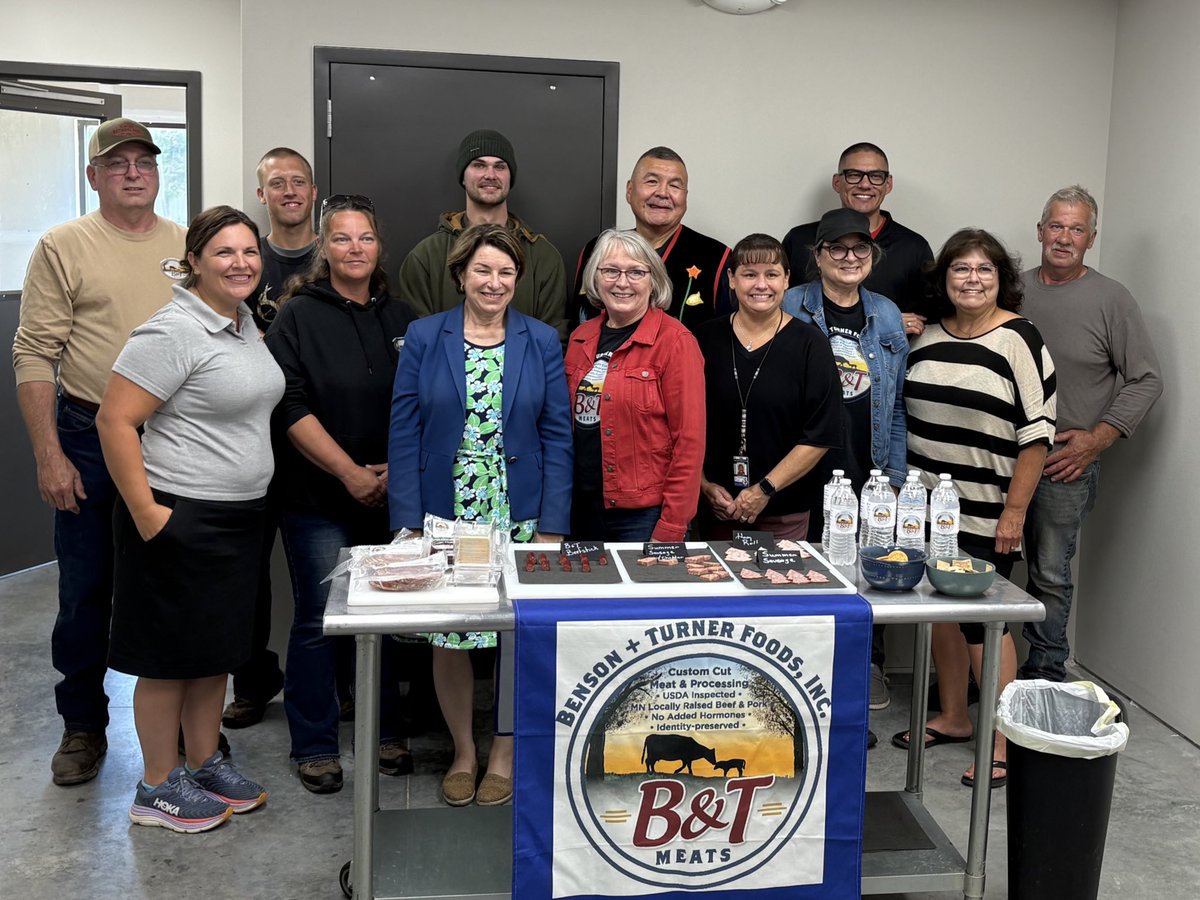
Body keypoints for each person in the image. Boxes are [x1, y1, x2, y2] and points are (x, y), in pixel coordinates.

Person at [95, 206, 284, 831]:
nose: (241, 264)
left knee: (214, 652)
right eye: (224, 253)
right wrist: (148, 513)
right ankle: (156, 786)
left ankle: (203, 763)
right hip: (179, 515)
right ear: (194, 261)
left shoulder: (242, 323)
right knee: (169, 657)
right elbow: (114, 421)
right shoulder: (173, 330)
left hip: (238, 519)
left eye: (249, 252)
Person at [12, 117, 187, 786]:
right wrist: (48, 455)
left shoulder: (187, 245)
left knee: (175, 587)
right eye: (118, 164)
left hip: (174, 440)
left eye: (144, 160)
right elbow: (34, 353)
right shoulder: (64, 245)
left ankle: (182, 729)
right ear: (94, 176)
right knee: (87, 589)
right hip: (87, 434)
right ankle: (83, 726)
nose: (133, 172)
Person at [389, 224, 573, 808]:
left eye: (506, 273)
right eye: (483, 271)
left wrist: (552, 524)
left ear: (518, 280)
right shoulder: (423, 335)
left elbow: (557, 434)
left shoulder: (541, 339)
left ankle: (504, 753)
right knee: (452, 636)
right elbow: (404, 428)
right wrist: (410, 521)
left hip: (520, 510)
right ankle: (464, 751)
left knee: (520, 635)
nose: (494, 283)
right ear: (461, 275)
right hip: (450, 512)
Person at [896, 229, 1057, 790]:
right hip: (927, 510)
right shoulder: (924, 337)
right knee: (939, 613)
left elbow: (1037, 434)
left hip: (990, 509)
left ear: (1000, 279)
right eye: (960, 268)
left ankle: (1001, 739)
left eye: (984, 270)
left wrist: (1016, 511)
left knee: (983, 624)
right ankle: (955, 715)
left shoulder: (1020, 338)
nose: (971, 278)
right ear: (944, 278)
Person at [266, 195, 417, 793]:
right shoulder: (295, 315)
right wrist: (349, 473)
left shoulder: (404, 317)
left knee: (392, 615)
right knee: (318, 621)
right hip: (317, 497)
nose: (355, 249)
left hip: (393, 494)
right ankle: (315, 745)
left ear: (380, 246)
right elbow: (289, 405)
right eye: (343, 239)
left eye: (366, 238)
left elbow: (426, 404)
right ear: (323, 247)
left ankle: (385, 733)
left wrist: (392, 475)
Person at [1019, 186, 1162, 682]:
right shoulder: (1010, 291)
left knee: (1050, 575)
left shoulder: (1111, 299)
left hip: (1064, 464)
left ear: (1091, 238)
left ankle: (1045, 674)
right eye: (1056, 226)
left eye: (1076, 229)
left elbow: (1147, 379)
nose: (1064, 237)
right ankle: (987, 676)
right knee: (986, 574)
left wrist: (1096, 439)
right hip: (1002, 460)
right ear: (1040, 231)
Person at [781, 208, 909, 717]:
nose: (849, 257)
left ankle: (864, 664)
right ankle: (799, 666)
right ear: (818, 256)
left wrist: (894, 476)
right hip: (801, 463)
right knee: (801, 568)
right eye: (837, 248)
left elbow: (896, 402)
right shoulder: (792, 303)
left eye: (860, 249)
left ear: (872, 257)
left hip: (866, 462)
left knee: (863, 570)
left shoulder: (887, 314)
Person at [221, 147, 321, 732]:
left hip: (313, 442)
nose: (289, 191)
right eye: (276, 183)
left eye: (299, 182)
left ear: (313, 190)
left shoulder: (333, 255)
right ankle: (251, 681)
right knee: (246, 577)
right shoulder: (241, 259)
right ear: (262, 195)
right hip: (248, 443)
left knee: (330, 581)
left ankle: (337, 684)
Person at [696, 234, 841, 540]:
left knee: (778, 587)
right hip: (715, 509)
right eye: (749, 274)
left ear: (787, 280)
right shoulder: (703, 339)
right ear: (732, 280)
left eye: (772, 274)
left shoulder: (811, 345)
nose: (761, 285)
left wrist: (764, 489)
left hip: (785, 512)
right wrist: (703, 484)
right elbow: (681, 422)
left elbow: (821, 434)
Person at [566, 229, 706, 542]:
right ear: (595, 278)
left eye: (636, 272)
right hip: (581, 510)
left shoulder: (675, 342)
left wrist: (671, 527)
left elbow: (689, 442)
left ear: (653, 280)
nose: (622, 282)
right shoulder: (580, 338)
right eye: (611, 270)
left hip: (644, 517)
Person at [398, 129, 568, 342]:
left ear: (510, 176)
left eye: (500, 166)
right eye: (479, 165)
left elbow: (553, 340)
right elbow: (416, 342)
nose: (490, 175)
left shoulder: (544, 256)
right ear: (463, 176)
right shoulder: (425, 257)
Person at [781, 142, 934, 336]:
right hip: (807, 359)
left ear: (888, 184)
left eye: (876, 176)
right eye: (854, 175)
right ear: (837, 182)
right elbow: (775, 307)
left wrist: (892, 325)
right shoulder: (799, 239)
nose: (865, 184)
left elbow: (931, 322)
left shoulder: (914, 247)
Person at [573, 147, 733, 332]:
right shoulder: (598, 249)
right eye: (651, 181)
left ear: (685, 197)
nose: (663, 193)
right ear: (629, 190)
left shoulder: (716, 257)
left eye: (674, 185)